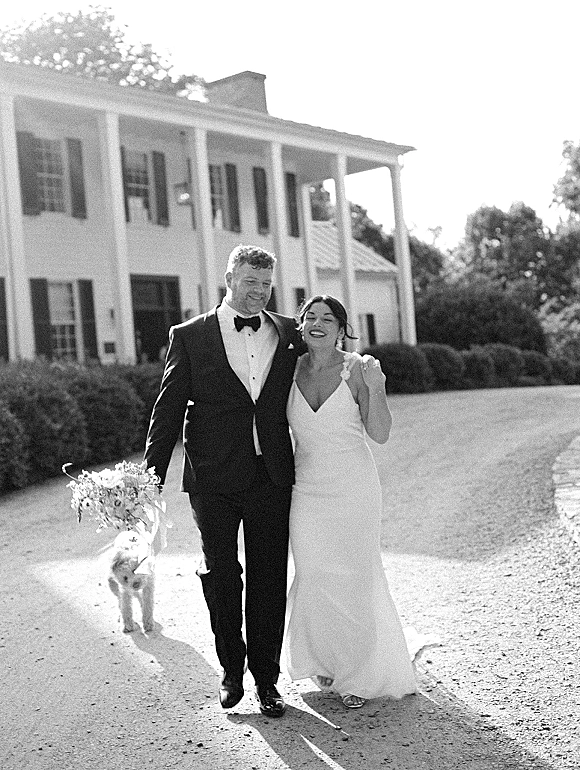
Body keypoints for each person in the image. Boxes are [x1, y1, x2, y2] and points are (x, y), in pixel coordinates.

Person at [144, 244, 304, 718]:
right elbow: (169, 406)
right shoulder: (190, 335)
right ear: (230, 278)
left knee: (269, 574)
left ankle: (267, 680)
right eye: (250, 282)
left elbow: (323, 373)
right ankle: (231, 670)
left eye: (266, 284)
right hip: (212, 475)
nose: (258, 293)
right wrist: (149, 476)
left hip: (271, 472)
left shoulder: (289, 333)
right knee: (221, 573)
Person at [284, 295, 419, 709]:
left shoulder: (357, 369)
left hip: (353, 489)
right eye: (311, 317)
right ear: (301, 326)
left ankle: (358, 674)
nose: (318, 323)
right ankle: (325, 660)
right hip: (305, 490)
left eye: (329, 318)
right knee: (313, 574)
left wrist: (377, 388)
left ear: (342, 329)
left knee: (355, 576)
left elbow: (379, 433)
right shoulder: (287, 369)